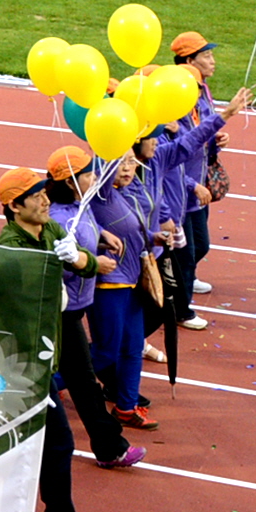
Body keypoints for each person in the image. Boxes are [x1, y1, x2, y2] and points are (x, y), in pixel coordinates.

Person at [0, 166, 127, 512]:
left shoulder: (48, 230)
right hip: (22, 358)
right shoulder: (11, 247)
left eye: (44, 193)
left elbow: (79, 259)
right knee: (57, 441)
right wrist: (55, 274)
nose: (45, 200)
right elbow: (18, 302)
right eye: (35, 196)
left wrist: (81, 260)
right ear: (14, 206)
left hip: (46, 349)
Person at [43, 145, 138, 468]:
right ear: (71, 181)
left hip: (76, 307)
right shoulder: (57, 218)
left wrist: (101, 237)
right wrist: (95, 264)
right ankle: (111, 447)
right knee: (84, 381)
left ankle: (110, 446)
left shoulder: (77, 207)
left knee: (81, 379)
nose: (95, 178)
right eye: (88, 174)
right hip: (62, 312)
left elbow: (83, 237)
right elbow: (62, 265)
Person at [157, 31, 244, 331]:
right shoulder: (170, 113)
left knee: (199, 247)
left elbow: (202, 133)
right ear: (189, 61)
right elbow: (171, 160)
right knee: (186, 252)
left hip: (197, 185)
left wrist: (217, 140)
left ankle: (186, 282)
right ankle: (181, 308)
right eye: (206, 55)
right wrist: (191, 185)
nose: (213, 60)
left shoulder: (201, 93)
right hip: (182, 192)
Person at [89, 147, 159, 428]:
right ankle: (45, 386)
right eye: (121, 163)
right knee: (106, 351)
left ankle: (126, 407)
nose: (128, 168)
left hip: (132, 283)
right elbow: (103, 169)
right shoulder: (103, 194)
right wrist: (113, 139)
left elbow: (134, 232)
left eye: (132, 162)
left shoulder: (125, 194)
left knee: (131, 348)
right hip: (110, 284)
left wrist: (157, 238)